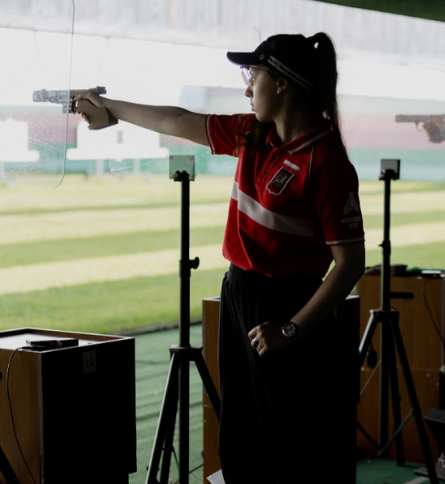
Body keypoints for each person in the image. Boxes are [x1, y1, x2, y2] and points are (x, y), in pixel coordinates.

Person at [76, 32, 365, 484]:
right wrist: (108, 108)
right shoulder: (252, 134)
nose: (248, 88)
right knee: (241, 438)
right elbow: (176, 120)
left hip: (289, 307)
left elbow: (349, 264)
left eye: (255, 76)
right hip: (240, 293)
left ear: (283, 83)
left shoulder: (326, 162)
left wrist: (291, 329)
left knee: (287, 447)